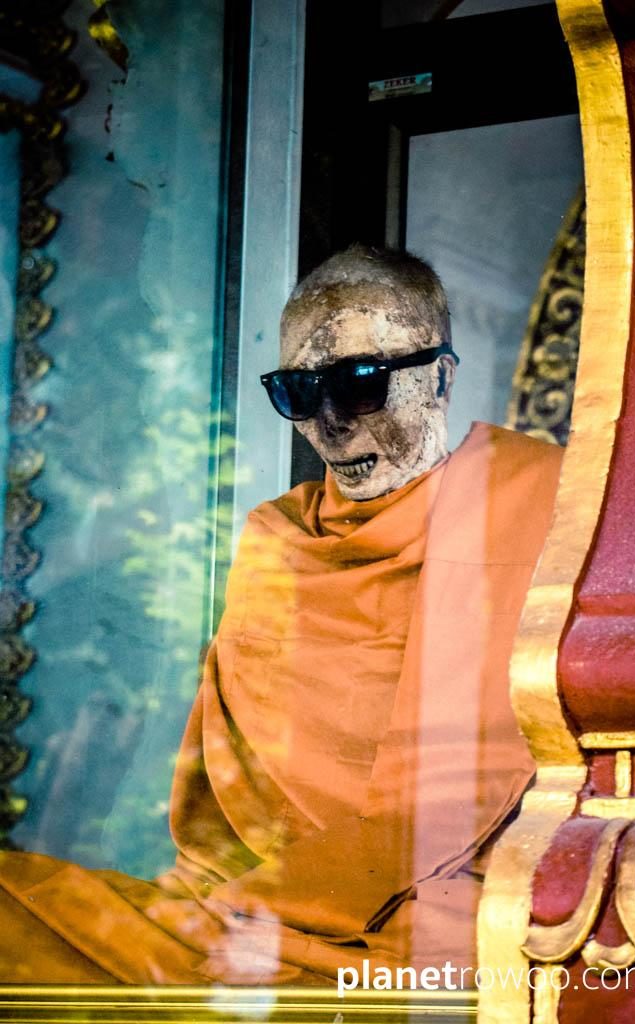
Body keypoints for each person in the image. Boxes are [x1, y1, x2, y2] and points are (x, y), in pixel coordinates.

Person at [0, 244, 562, 985]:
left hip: (441, 925)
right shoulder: (280, 537)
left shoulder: (541, 505)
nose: (329, 425)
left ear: (441, 376)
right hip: (247, 919)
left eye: (361, 384)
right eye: (300, 392)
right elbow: (226, 816)